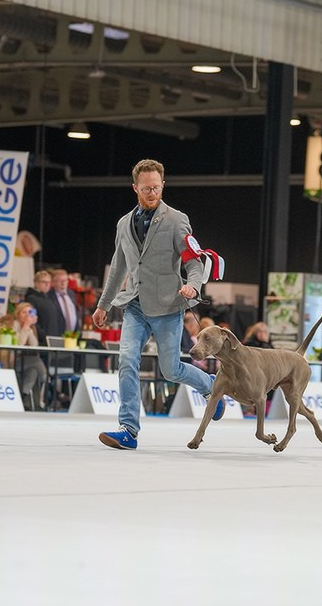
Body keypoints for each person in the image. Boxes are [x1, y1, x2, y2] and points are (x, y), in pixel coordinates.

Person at [91, 158, 225, 449]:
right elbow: (118, 268)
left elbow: (194, 260)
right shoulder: (124, 224)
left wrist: (193, 285)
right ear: (135, 188)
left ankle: (211, 387)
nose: (152, 193)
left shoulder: (177, 220)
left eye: (157, 187)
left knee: (171, 370)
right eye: (146, 188)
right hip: (135, 305)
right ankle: (128, 429)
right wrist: (104, 305)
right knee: (127, 360)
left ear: (162, 185)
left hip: (167, 306)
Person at [13, 302, 48, 410]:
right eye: (23, 312)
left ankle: (23, 398)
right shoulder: (15, 325)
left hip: (26, 361)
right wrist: (25, 326)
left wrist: (30, 328)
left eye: (29, 313)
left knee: (33, 371)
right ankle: (44, 382)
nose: (26, 315)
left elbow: (34, 345)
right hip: (14, 359)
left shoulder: (30, 327)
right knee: (37, 362)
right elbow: (19, 344)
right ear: (18, 314)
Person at [23, 270, 58, 345]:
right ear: (36, 283)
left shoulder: (49, 298)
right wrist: (42, 334)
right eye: (44, 282)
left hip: (52, 339)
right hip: (41, 340)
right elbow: (31, 319)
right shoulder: (31, 298)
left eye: (49, 282)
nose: (47, 284)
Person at [48, 268, 80, 336]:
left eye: (65, 280)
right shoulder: (48, 297)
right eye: (59, 281)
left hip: (72, 336)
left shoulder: (71, 294)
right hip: (57, 336)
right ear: (53, 283)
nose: (63, 283)